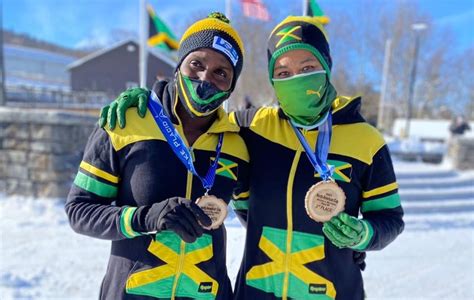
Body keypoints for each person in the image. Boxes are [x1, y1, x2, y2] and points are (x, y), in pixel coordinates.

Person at [100, 16, 404, 300]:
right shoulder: (253, 126)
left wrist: (364, 236)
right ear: (273, 80)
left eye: (308, 67)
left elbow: (390, 219)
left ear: (327, 65)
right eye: (283, 73)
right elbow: (199, 116)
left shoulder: (367, 141)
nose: (296, 79)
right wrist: (149, 101)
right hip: (257, 292)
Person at [66, 12, 249, 299]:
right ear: (178, 66)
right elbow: (80, 211)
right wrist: (144, 218)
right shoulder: (127, 122)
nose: (205, 78)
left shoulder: (238, 143)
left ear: (231, 86)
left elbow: (263, 215)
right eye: (196, 64)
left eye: (221, 72)